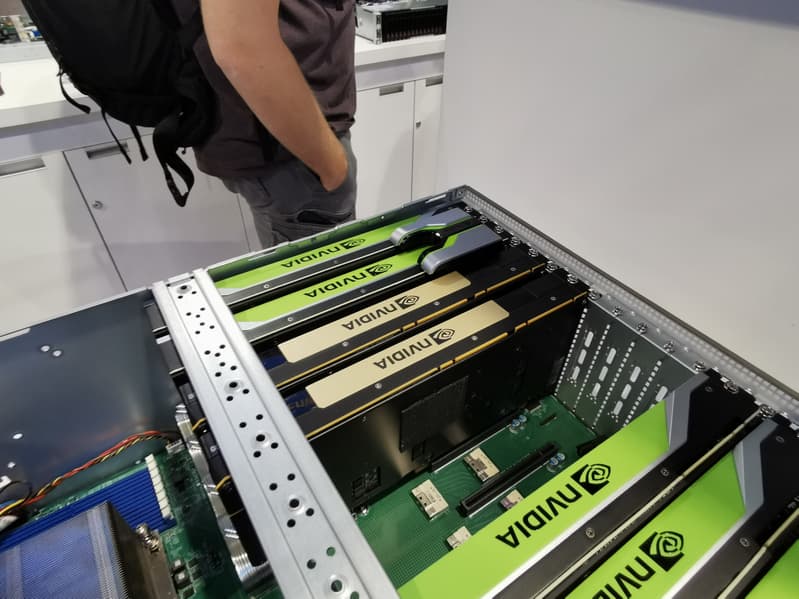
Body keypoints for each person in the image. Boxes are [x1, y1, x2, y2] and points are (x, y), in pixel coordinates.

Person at [172, 0, 357, 248]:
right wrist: (330, 165)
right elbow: (240, 47)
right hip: (293, 155)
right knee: (324, 269)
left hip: (293, 147)